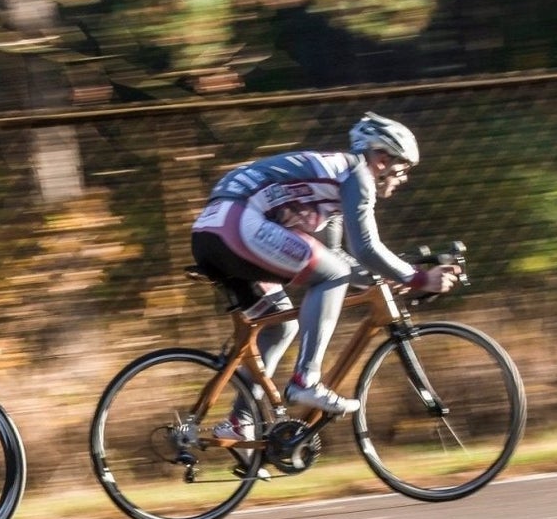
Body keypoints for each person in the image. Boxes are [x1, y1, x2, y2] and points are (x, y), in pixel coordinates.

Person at [190, 112, 462, 437]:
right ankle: (306, 380)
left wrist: (382, 277)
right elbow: (364, 250)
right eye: (403, 168)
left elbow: (336, 255)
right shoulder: (356, 175)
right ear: (382, 158)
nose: (403, 177)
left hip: (214, 229)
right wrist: (418, 278)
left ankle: (240, 424)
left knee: (280, 328)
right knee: (334, 275)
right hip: (238, 222)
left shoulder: (332, 182)